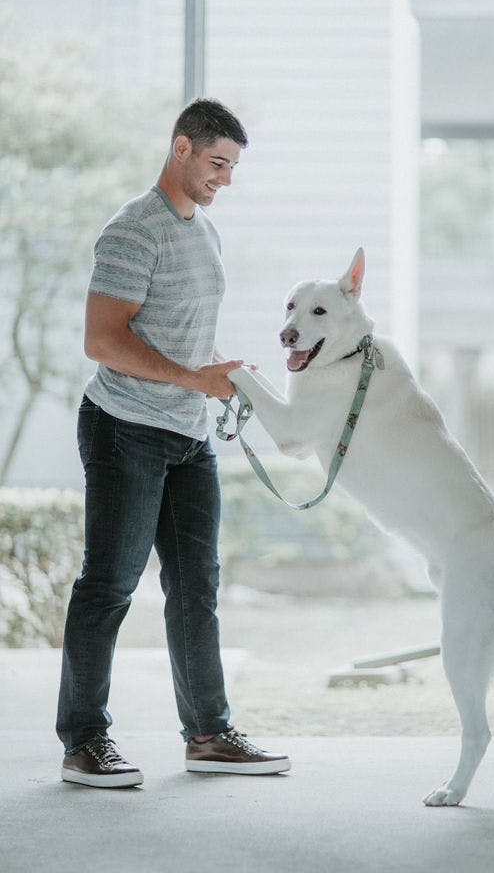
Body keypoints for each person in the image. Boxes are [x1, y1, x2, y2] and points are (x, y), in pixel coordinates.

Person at [56, 98, 290, 787]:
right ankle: (83, 742)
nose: (225, 178)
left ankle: (210, 735)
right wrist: (194, 376)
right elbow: (102, 340)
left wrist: (219, 373)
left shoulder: (204, 233)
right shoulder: (134, 230)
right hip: (125, 429)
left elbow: (177, 335)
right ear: (182, 148)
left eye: (233, 167)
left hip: (188, 437)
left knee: (196, 588)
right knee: (109, 585)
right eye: (218, 163)